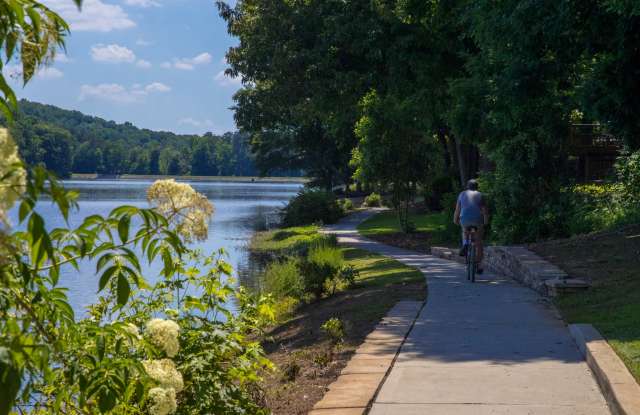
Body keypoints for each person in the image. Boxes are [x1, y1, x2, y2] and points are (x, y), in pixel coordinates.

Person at [453, 179, 489, 273]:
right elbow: (484, 211)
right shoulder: (480, 195)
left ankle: (465, 243)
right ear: (477, 187)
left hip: (465, 219)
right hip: (477, 220)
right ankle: (478, 265)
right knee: (479, 242)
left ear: (467, 187)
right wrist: (485, 222)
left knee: (464, 230)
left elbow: (457, 210)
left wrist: (455, 220)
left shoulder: (462, 194)